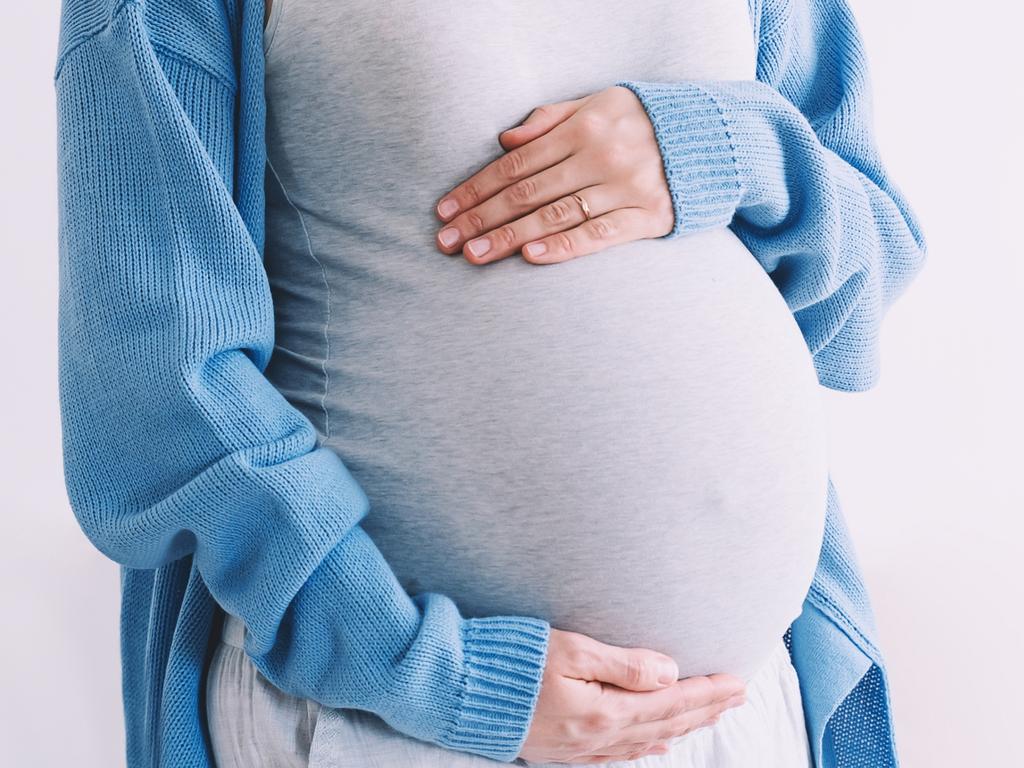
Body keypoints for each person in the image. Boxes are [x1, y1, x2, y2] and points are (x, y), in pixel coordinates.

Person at [53, 0, 926, 766]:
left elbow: (863, 286)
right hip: (397, 720)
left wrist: (728, 149)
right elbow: (154, 397)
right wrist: (440, 679)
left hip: (732, 715)